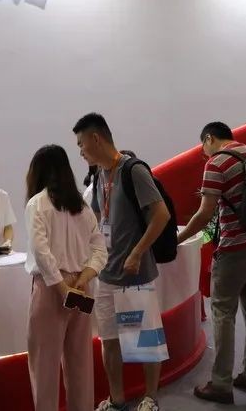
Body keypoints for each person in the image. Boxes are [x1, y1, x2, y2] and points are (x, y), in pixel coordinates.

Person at [73, 113, 170, 411]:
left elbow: (161, 215)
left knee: (145, 340)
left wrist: (137, 252)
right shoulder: (100, 176)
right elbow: (96, 221)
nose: (80, 151)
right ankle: (117, 399)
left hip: (135, 275)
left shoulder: (133, 170)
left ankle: (150, 398)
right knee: (110, 340)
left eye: (81, 144)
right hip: (106, 275)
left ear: (96, 138)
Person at [176, 122, 246, 404]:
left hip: (236, 246)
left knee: (222, 310)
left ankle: (221, 383)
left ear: (209, 138)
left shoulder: (217, 163)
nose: (204, 154)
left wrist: (179, 238)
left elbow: (205, 214)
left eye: (203, 147)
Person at [25, 144, 108, 411]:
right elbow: (100, 249)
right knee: (80, 362)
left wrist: (63, 288)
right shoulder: (81, 206)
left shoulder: (37, 204)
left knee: (44, 365)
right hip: (83, 286)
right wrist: (84, 278)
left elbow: (41, 252)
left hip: (51, 289)